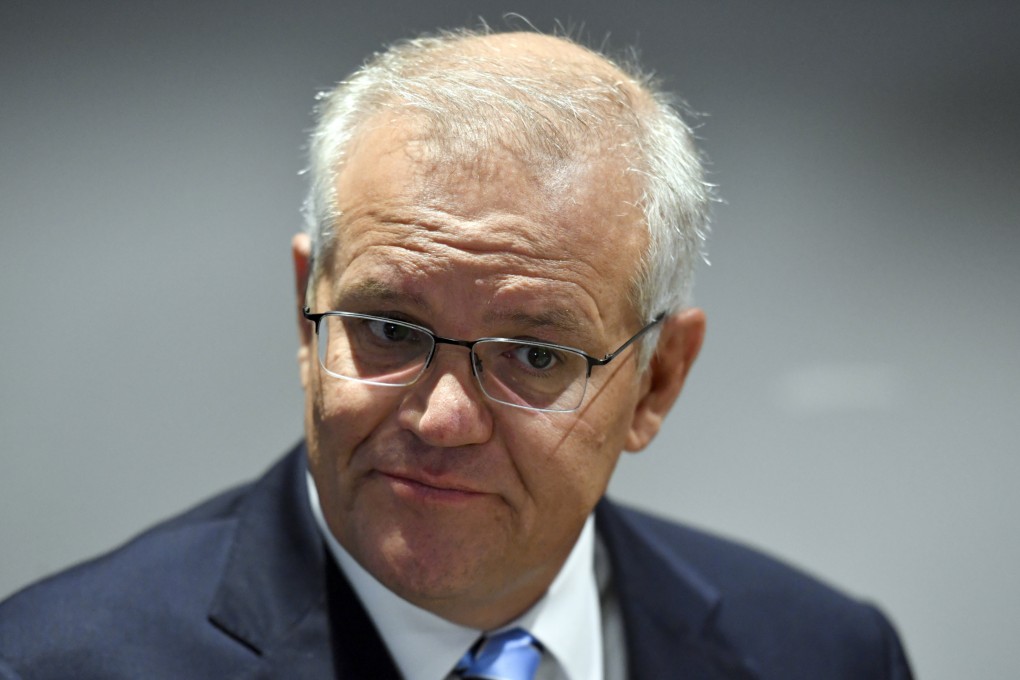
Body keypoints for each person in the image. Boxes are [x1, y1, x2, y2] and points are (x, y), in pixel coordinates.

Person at [0, 28, 913, 680]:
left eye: (533, 356)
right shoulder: (55, 663)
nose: (441, 418)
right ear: (304, 308)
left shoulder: (825, 653)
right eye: (389, 331)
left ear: (656, 380)